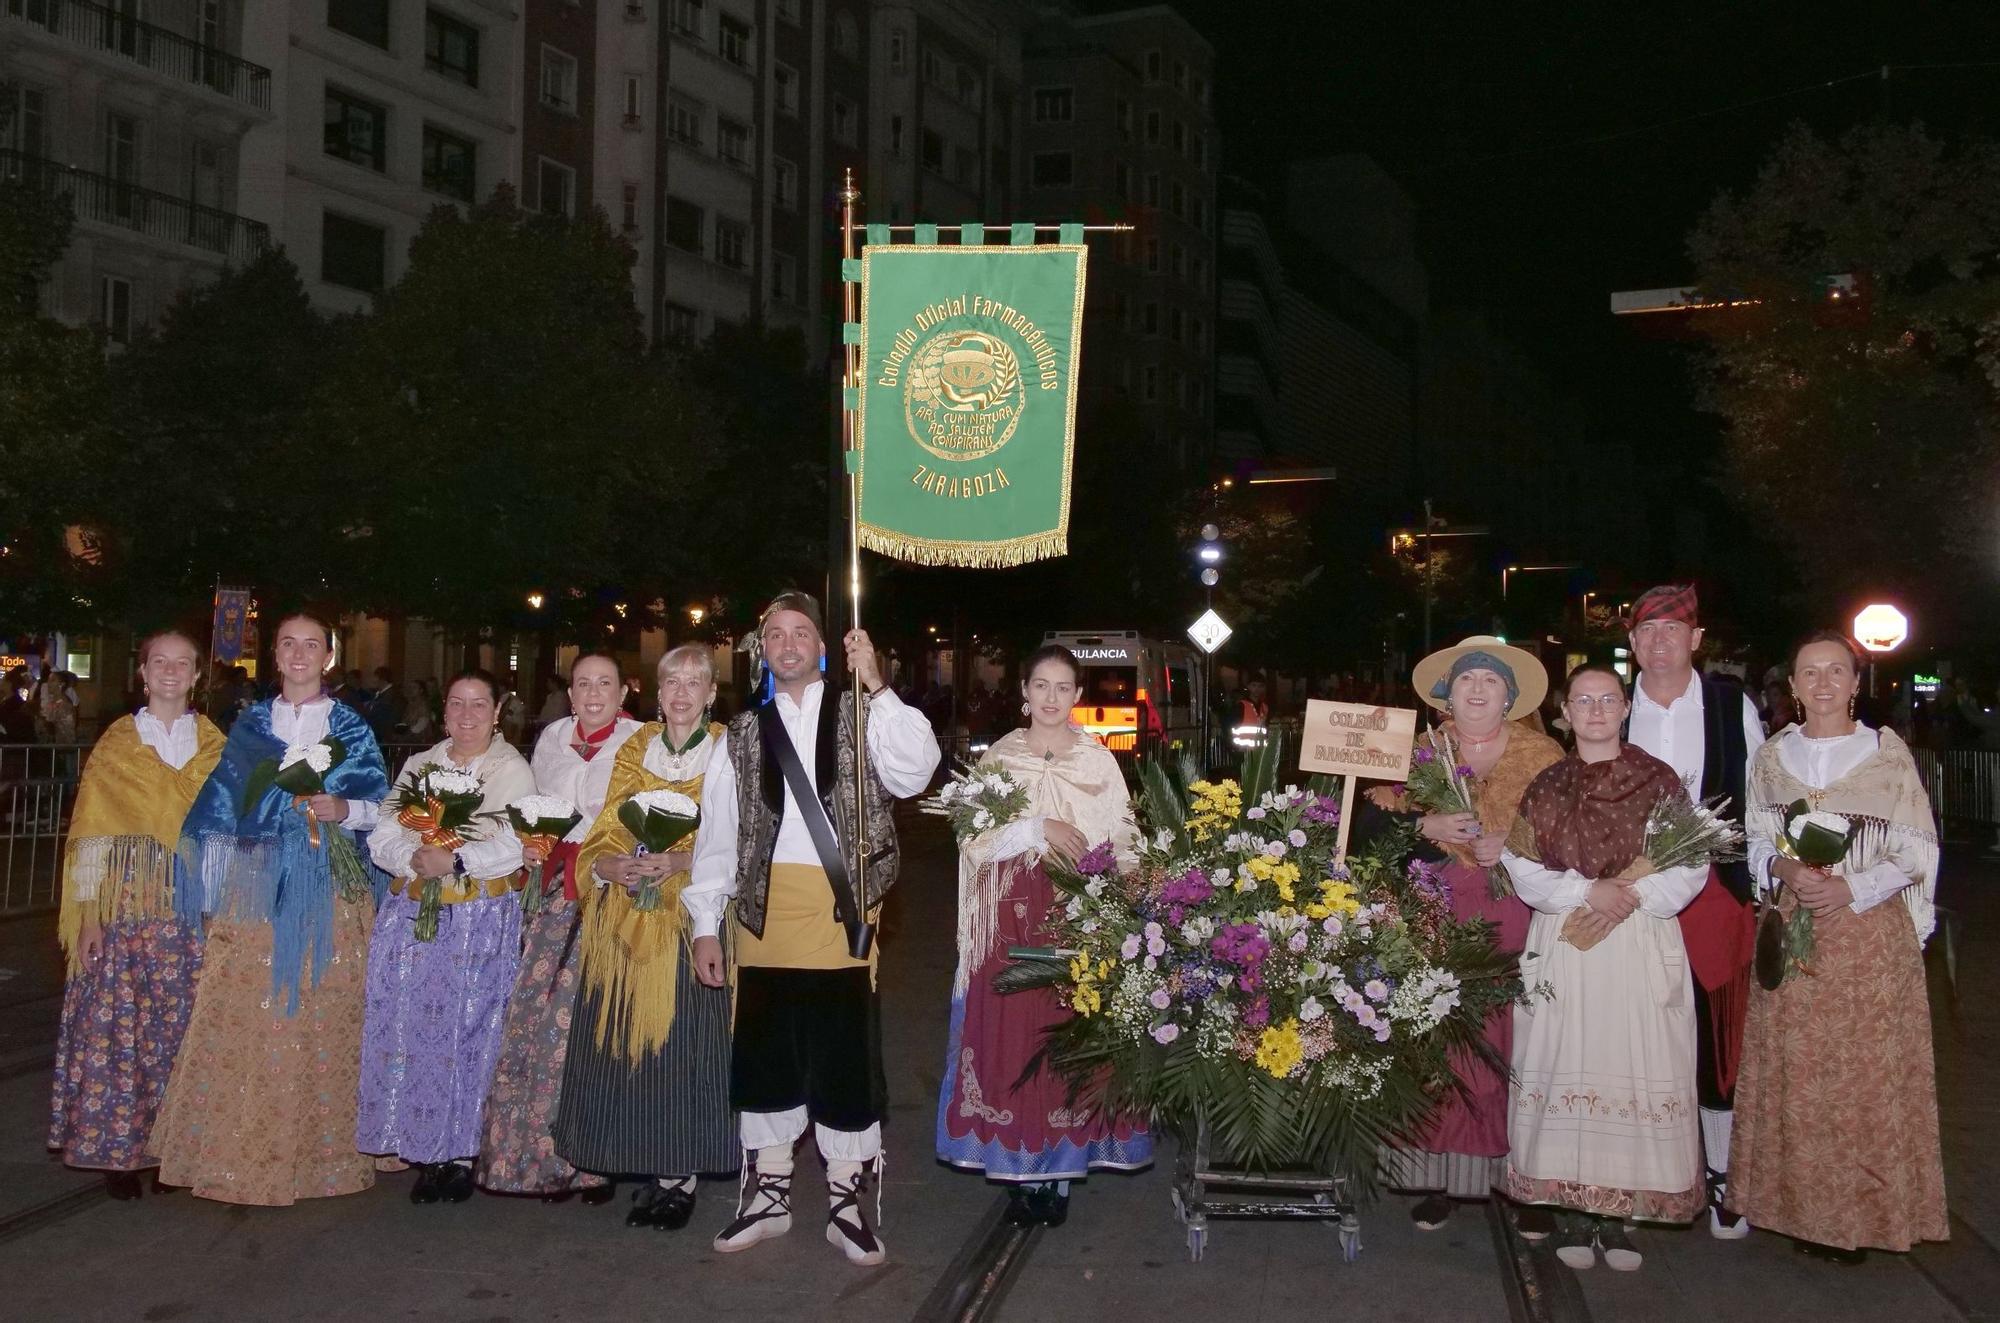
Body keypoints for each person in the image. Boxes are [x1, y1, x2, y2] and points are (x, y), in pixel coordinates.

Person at [684, 591, 940, 1266]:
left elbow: (917, 770)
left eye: (801, 632)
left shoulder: (864, 710)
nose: (788, 643)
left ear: (824, 646)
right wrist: (705, 924)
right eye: (775, 634)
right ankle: (767, 1193)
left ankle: (847, 1198)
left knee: (841, 1052)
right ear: (762, 649)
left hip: (840, 909)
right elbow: (719, 836)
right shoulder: (741, 732)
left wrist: (878, 683)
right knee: (766, 1050)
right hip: (764, 911)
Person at [154, 612, 390, 1205]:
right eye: (289, 645)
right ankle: (241, 1151)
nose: (301, 654)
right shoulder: (252, 725)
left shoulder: (351, 727)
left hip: (329, 884)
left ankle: (323, 1157)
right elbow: (220, 808)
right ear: (276, 657)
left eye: (313, 645)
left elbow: (382, 806)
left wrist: (345, 809)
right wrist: (211, 890)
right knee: (253, 1012)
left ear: (329, 657)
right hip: (258, 884)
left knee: (325, 1010)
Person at [1728, 631, 1946, 1262]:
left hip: (1868, 936)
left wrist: (1854, 886)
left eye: (1835, 672)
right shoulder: (1771, 757)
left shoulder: (1885, 755)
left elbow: (1917, 850)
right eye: (1808, 673)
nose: (1822, 683)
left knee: (1861, 1076)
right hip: (1794, 932)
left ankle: (1861, 1216)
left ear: (1856, 683)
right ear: (1791, 687)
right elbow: (1756, 842)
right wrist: (1785, 871)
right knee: (1797, 1075)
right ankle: (1800, 1210)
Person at [936, 644, 1150, 1227]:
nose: (1051, 697)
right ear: (1024, 692)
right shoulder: (999, 759)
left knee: (1063, 1040)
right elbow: (972, 841)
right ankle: (1019, 1172)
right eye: (1041, 686)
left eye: (1063, 688)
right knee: (1012, 1040)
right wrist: (1035, 827)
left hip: (1074, 920)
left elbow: (1125, 841)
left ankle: (1058, 1175)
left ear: (1077, 697)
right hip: (1007, 922)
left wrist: (1121, 906)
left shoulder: (1099, 762)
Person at [1502, 664, 1706, 1270]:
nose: (1595, 710)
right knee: (1567, 1060)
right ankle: (1567, 1206)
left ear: (1624, 709)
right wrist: (1586, 892)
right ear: (1565, 714)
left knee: (1629, 1062)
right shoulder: (1546, 785)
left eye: (1607, 700)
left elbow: (1691, 863)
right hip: (1568, 941)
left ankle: (1620, 1219)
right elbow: (1521, 865)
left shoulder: (1658, 779)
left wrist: (1632, 895)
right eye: (1583, 701)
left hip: (1637, 940)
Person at [1369, 636, 1562, 1232]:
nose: (1477, 688)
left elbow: (1567, 831)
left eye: (1491, 680)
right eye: (1467, 678)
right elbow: (1364, 818)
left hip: (1512, 909)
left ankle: (1522, 1184)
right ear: (1447, 692)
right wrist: (1421, 820)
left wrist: (1516, 842)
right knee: (1435, 1032)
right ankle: (1439, 1180)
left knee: (1512, 1039)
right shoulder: (1416, 749)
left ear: (1510, 696)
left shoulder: (1543, 752)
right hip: (1433, 907)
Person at [551, 645, 732, 1229]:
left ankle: (681, 1175)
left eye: (694, 682)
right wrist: (605, 867)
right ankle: (649, 1164)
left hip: (693, 915)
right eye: (671, 681)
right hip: (629, 914)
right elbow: (609, 821)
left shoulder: (728, 747)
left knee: (684, 1047)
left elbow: (739, 832)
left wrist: (681, 862)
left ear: (710, 694)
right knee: (631, 1044)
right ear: (656, 693)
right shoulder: (636, 745)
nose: (681, 692)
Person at [48, 632, 225, 1198]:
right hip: (124, 907)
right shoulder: (118, 744)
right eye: (159, 662)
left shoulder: (216, 747)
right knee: (117, 1031)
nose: (170, 671)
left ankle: (169, 1148)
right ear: (142, 673)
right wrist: (89, 918)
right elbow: (91, 836)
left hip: (191, 907)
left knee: (183, 1031)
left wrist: (222, 912)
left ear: (197, 674)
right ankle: (118, 1153)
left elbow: (228, 838)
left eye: (182, 663)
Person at [1621, 584, 1766, 1239]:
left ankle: (1722, 1175)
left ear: (1697, 638)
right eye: (1647, 630)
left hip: (1715, 891)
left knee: (1718, 1040)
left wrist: (1759, 884)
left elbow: (1762, 802)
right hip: (1635, 892)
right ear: (1632, 642)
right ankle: (1647, 1169)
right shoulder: (1612, 707)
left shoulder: (1732, 705)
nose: (1659, 641)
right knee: (1642, 1035)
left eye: (1672, 629)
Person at [359, 669, 534, 1204]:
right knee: (413, 1031)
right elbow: (386, 832)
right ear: (443, 712)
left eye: (478, 704)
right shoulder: (420, 764)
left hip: (477, 917)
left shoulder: (509, 768)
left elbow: (516, 840)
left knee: (468, 1032)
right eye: (456, 704)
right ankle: (423, 1146)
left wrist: (454, 858)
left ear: (496, 711)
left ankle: (460, 1153)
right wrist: (411, 857)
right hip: (414, 915)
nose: (466, 715)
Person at [478, 653, 639, 1203]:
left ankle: (597, 1159)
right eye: (583, 684)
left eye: (605, 683)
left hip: (611, 891)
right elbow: (534, 808)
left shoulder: (641, 741)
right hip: (551, 892)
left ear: (624, 693)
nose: (593, 693)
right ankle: (539, 1155)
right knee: (538, 1019)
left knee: (594, 1024)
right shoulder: (550, 739)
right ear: (570, 694)